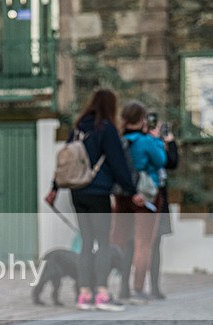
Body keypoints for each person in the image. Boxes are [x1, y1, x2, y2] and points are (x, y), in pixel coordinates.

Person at [46, 89, 144, 312]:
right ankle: (102, 293)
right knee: (104, 243)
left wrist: (54, 188)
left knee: (87, 242)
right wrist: (132, 190)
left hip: (77, 192)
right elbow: (118, 163)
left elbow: (65, 163)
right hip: (98, 192)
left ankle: (84, 295)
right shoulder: (106, 128)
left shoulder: (78, 127)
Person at [111, 101, 167, 304]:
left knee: (120, 241)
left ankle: (117, 287)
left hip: (122, 195)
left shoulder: (118, 140)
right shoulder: (146, 141)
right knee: (143, 244)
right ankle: (138, 288)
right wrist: (157, 139)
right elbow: (161, 160)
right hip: (145, 196)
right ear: (143, 119)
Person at [150, 125, 178, 300]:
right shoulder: (146, 144)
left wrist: (170, 142)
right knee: (144, 245)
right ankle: (131, 288)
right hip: (148, 198)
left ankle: (153, 286)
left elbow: (172, 162)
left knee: (154, 245)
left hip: (158, 199)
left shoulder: (155, 145)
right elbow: (170, 161)